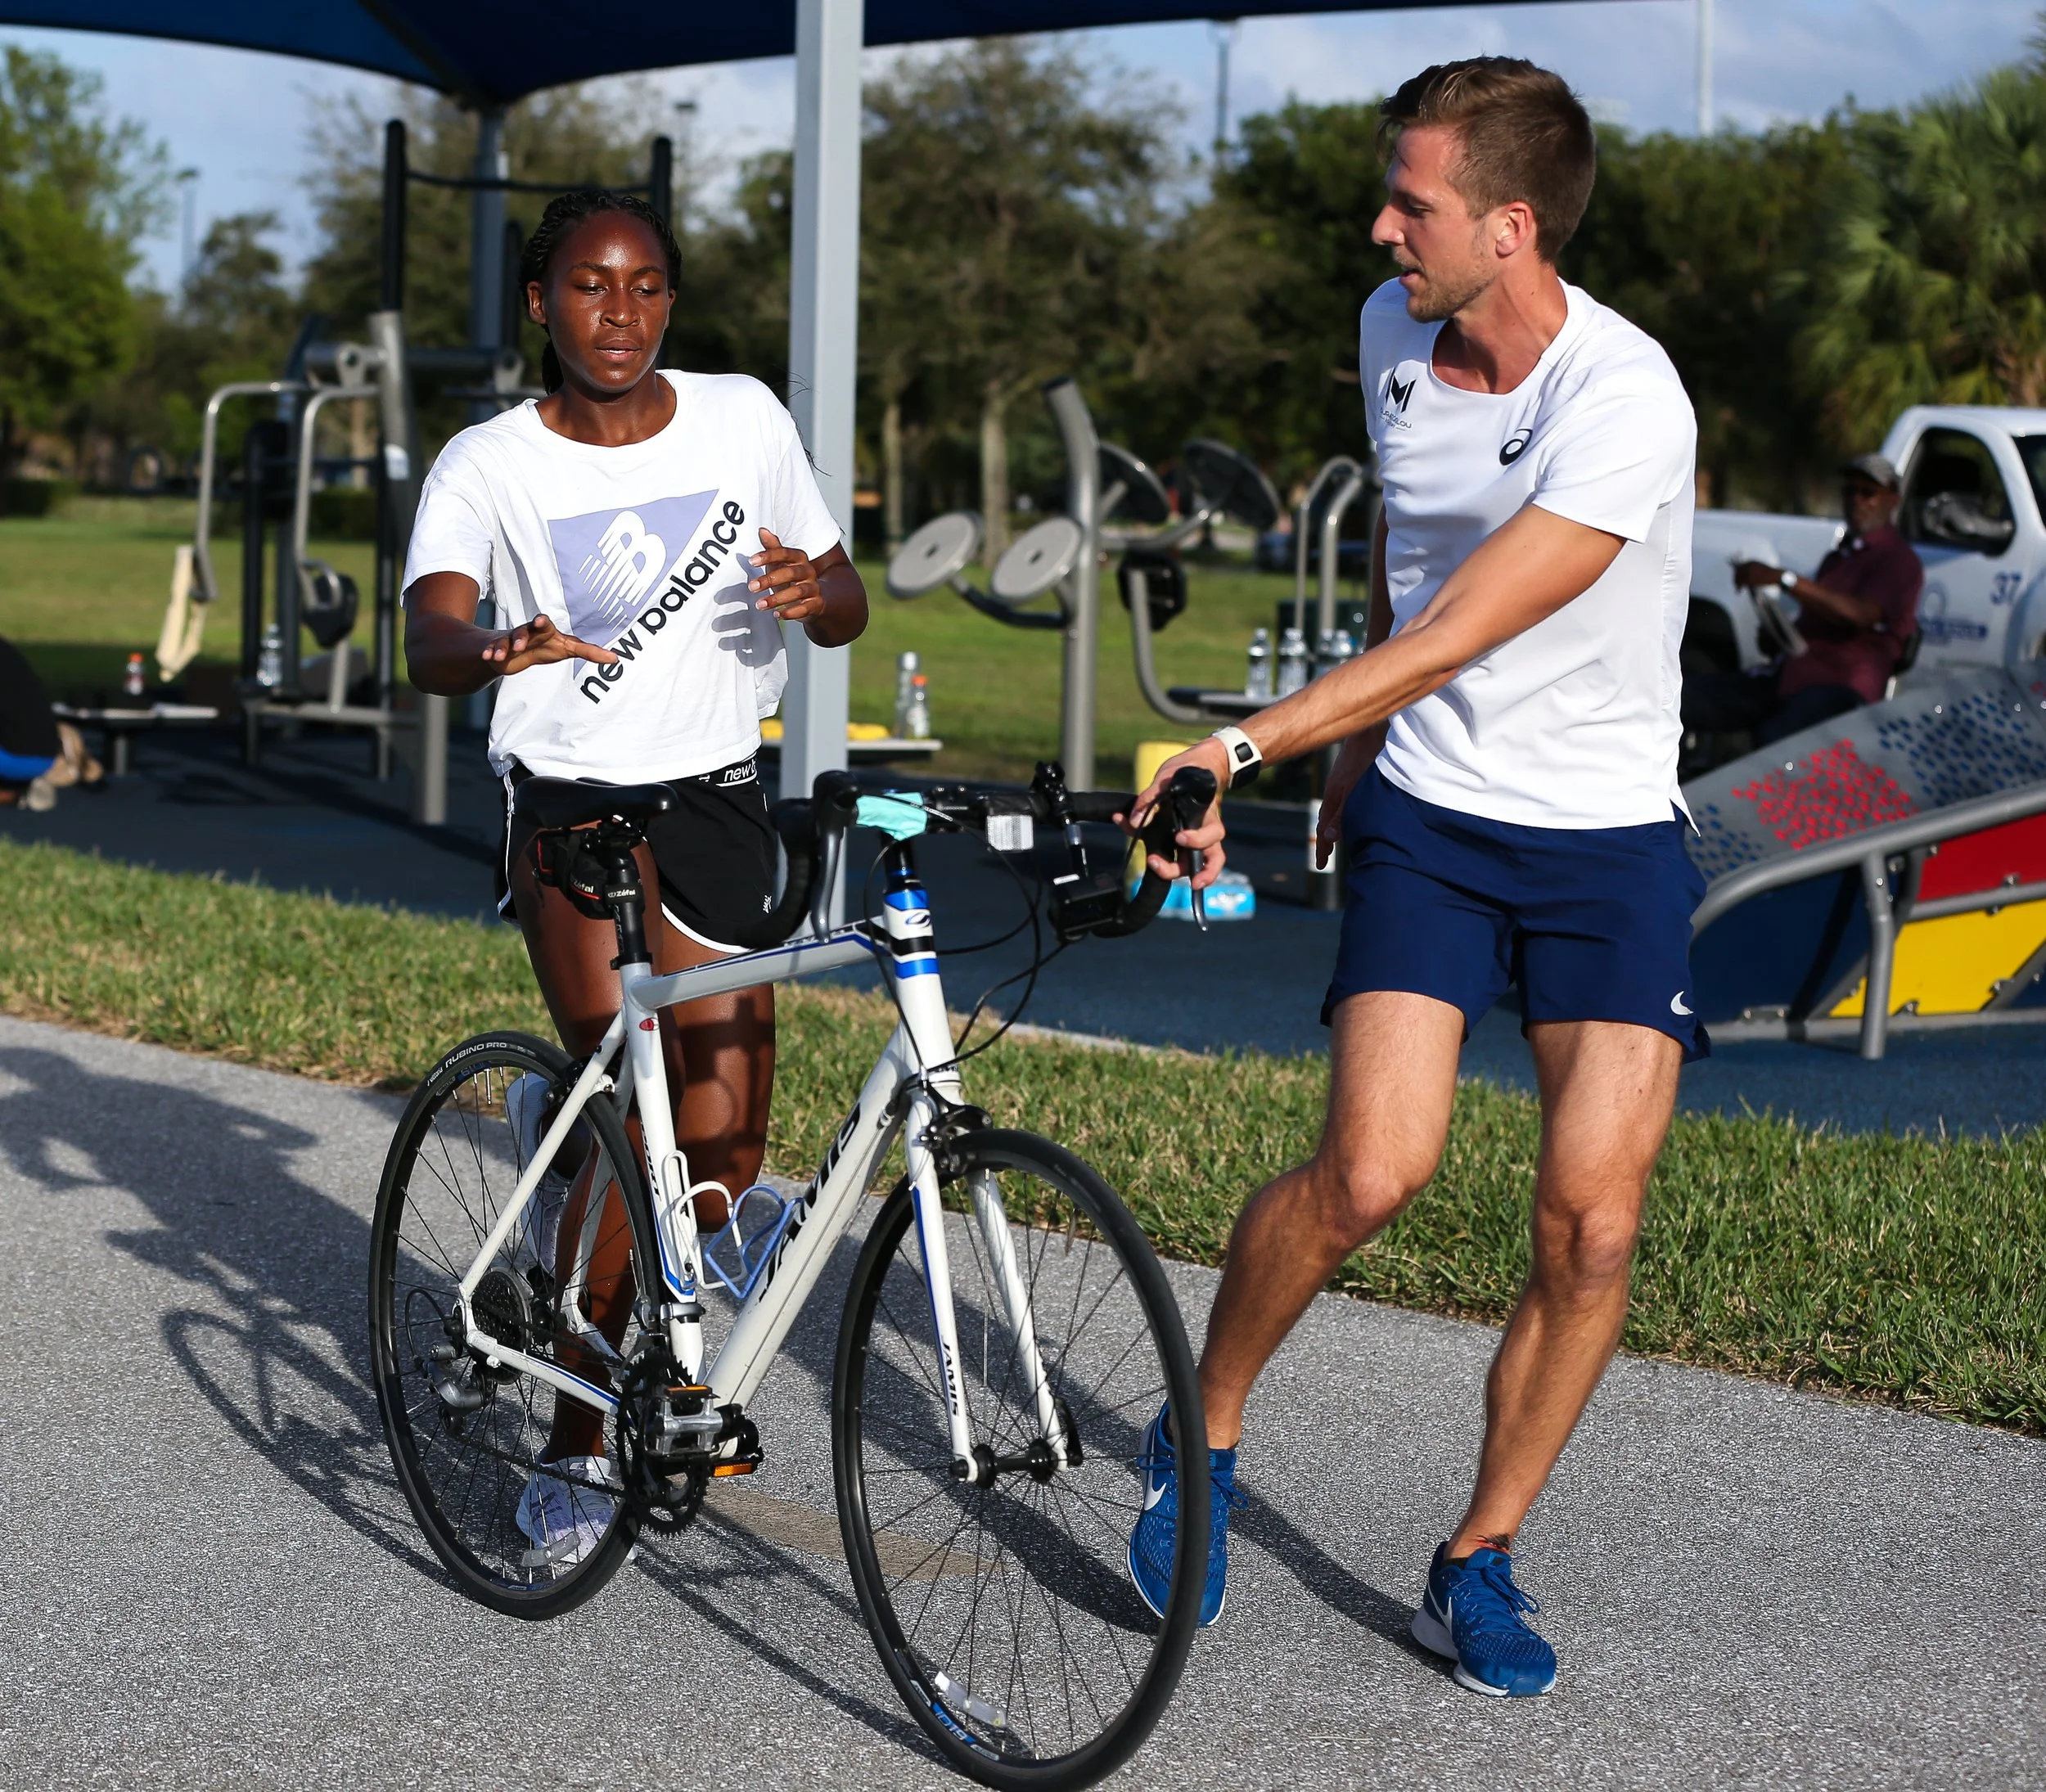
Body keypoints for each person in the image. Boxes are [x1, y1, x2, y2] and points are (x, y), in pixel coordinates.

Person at [1124, 58, 1701, 1700]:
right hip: (1432, 815)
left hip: (1602, 835)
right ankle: (1204, 1433)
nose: (1380, 229)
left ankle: (1478, 1553)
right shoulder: (1393, 337)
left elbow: (1466, 624)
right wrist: (1355, 761)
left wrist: (1236, 749)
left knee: (1590, 1229)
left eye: (1412, 205)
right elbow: (1408, 567)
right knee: (1370, 1173)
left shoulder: (1625, 397)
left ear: (1507, 227)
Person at [403, 188, 867, 1564]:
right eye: (595, 288)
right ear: (541, 304)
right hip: (569, 804)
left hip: (719, 795)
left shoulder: (742, 419)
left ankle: (580, 1175)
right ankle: (577, 1437)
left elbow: (846, 601)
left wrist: (809, 593)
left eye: (650, 287)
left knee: (722, 1152)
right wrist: (491, 647)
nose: (625, 314)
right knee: (635, 1077)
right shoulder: (488, 462)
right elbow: (429, 633)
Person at [1682, 453, 1922, 754]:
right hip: (1789, 678)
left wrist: (1786, 579)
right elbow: (1819, 621)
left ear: (1892, 499)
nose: (1856, 501)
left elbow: (1860, 614)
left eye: (1868, 493)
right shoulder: (1839, 557)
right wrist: (1777, 636)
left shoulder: (1898, 560)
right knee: (1682, 700)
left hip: (1840, 687)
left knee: (1774, 740)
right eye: (1850, 492)